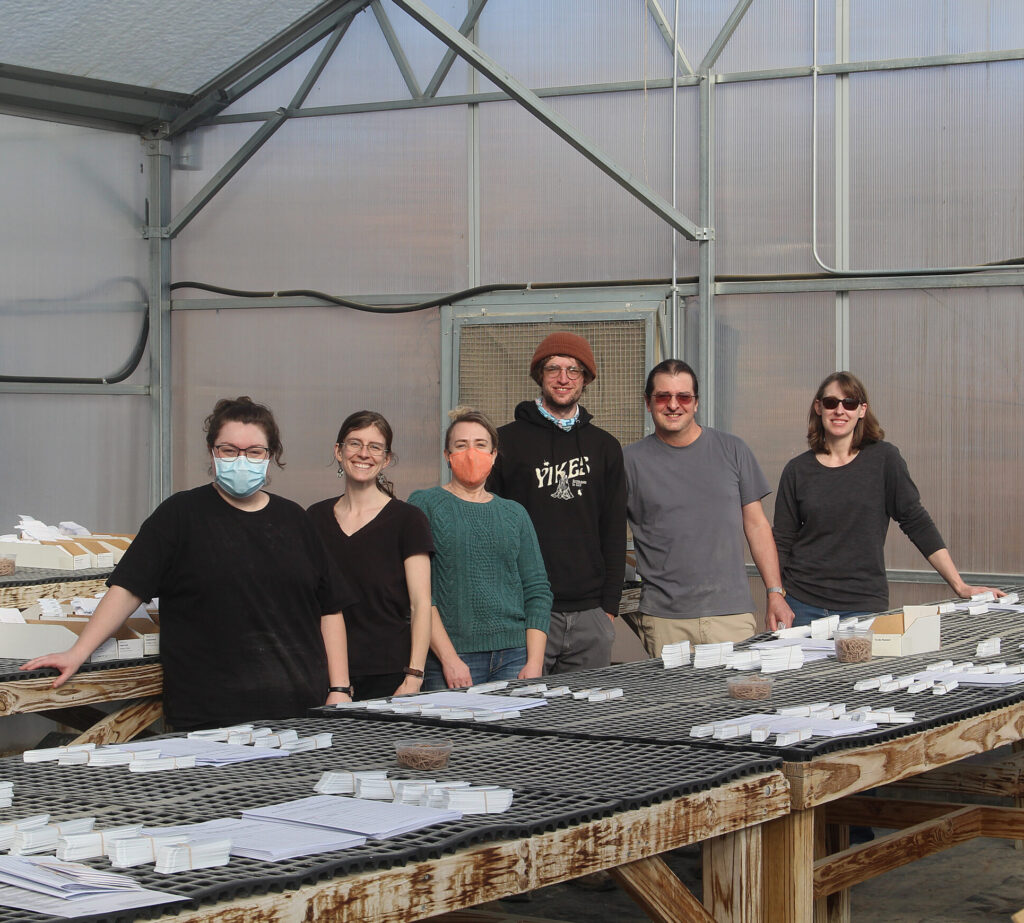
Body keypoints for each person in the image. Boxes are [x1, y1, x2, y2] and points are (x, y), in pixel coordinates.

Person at [21, 396, 357, 730]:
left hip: (299, 708)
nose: (242, 460)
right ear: (212, 452)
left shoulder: (295, 520)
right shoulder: (179, 516)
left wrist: (339, 688)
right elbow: (127, 589)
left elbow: (330, 608)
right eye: (229, 450)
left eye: (254, 451)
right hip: (209, 714)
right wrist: (77, 652)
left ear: (271, 456)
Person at [773, 371, 1003, 625]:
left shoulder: (884, 460)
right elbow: (782, 539)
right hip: (801, 604)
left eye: (849, 403)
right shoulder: (797, 470)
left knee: (860, 666)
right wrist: (776, 596)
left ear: (862, 410)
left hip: (862, 605)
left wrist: (960, 586)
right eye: (831, 402)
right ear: (819, 407)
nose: (840, 410)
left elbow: (916, 522)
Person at [623, 359, 794, 657]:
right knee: (674, 704)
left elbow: (757, 526)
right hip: (664, 619)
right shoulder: (628, 462)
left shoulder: (733, 450)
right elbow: (605, 531)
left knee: (735, 701)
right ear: (648, 403)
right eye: (663, 397)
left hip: (730, 616)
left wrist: (775, 592)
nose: (673, 405)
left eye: (683, 397)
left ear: (696, 403)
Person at [488, 332, 626, 674]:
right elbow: (492, 529)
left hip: (590, 614)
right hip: (526, 610)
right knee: (525, 714)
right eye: (553, 369)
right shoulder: (506, 441)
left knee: (584, 720)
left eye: (573, 370)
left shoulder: (605, 447)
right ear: (539, 375)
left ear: (586, 378)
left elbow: (612, 528)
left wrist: (608, 607)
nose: (563, 379)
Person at [409, 407, 552, 689]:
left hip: (515, 656)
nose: (471, 453)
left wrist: (534, 661)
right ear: (447, 456)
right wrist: (449, 659)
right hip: (450, 658)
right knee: (453, 734)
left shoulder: (514, 513)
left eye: (480, 445)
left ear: (494, 454)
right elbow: (420, 594)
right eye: (460, 445)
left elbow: (537, 588)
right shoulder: (423, 505)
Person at [307, 411, 434, 700]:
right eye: (354, 444)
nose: (364, 454)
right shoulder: (314, 518)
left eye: (375, 447)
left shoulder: (408, 519)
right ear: (338, 452)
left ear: (386, 459)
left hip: (391, 674)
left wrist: (414, 676)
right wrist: (332, 682)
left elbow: (421, 603)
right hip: (328, 672)